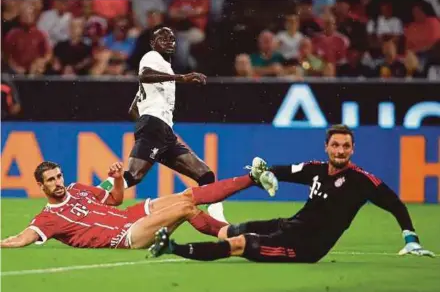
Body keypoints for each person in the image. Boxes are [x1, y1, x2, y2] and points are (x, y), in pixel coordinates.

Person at [149, 124, 435, 262]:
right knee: (228, 231)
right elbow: (280, 172)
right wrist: (263, 172)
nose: (340, 151)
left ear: (353, 149)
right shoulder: (316, 169)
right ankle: (193, 213)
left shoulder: (362, 181)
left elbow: (395, 204)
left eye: (345, 146)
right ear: (327, 147)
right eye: (335, 145)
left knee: (237, 243)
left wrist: (410, 237)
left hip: (304, 248)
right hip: (288, 227)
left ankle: (172, 248)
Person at [100, 26, 226, 222]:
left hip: (162, 131)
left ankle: (220, 221)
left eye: (172, 39)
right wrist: (181, 78)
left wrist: (145, 123)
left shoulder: (165, 68)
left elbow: (133, 107)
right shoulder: (152, 57)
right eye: (163, 38)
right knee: (133, 175)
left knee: (206, 175)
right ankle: (93, 196)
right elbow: (144, 75)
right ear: (153, 43)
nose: (169, 41)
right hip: (155, 125)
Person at [0, 160, 276, 249]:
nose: (58, 182)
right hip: (126, 235)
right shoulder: (47, 218)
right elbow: (21, 239)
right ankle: (231, 236)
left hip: (128, 215)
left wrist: (117, 178)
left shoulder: (78, 190)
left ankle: (253, 178)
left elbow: (114, 195)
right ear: (42, 186)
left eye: (58, 176)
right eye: (51, 180)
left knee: (187, 196)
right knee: (185, 209)